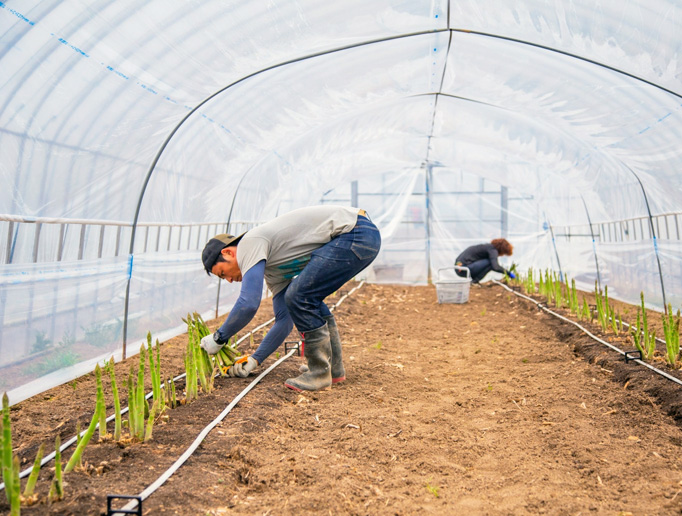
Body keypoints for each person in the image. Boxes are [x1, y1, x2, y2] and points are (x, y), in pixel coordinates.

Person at [199, 205, 381, 392]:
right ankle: (332, 369)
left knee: (299, 295)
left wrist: (219, 338)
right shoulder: (272, 269)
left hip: (355, 234)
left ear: (228, 252)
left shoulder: (249, 242)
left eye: (223, 273)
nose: (229, 280)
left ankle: (319, 373)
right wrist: (255, 359)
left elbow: (248, 303)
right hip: (360, 236)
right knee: (303, 298)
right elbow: (285, 320)